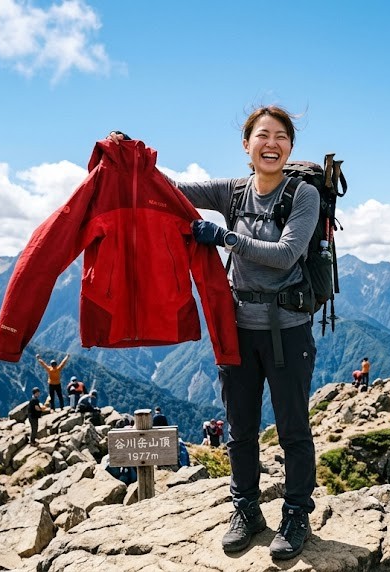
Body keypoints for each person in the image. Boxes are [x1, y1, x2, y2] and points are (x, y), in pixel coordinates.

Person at [108, 105, 318, 559]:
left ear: (290, 147)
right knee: (241, 429)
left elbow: (285, 255)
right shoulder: (233, 191)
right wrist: (131, 156)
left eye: (281, 136)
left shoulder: (303, 196)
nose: (272, 143)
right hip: (236, 329)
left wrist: (225, 238)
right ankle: (246, 509)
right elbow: (171, 189)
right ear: (247, 146)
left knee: (293, 431)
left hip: (289, 332)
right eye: (263, 135)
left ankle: (297, 513)